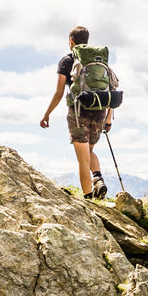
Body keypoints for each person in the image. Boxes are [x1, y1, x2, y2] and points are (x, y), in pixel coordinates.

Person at [40, 25, 112, 199]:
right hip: (100, 110)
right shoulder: (98, 60)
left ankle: (89, 198)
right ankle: (98, 179)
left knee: (82, 159)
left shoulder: (67, 61)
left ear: (71, 41)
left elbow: (58, 93)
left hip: (78, 113)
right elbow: (109, 89)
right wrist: (108, 119)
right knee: (89, 151)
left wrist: (47, 114)